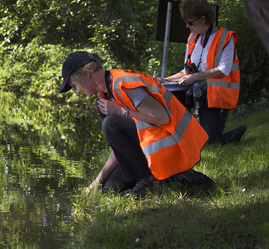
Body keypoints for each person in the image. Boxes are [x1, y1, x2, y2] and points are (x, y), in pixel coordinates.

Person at [59, 51, 212, 197]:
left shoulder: (124, 84)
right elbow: (121, 146)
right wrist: (97, 181)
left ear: (87, 74)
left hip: (175, 145)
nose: (75, 91)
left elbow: (162, 117)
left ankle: (149, 181)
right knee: (109, 189)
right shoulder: (108, 92)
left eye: (74, 85)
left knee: (110, 123)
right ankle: (171, 178)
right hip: (157, 148)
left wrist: (122, 112)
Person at [164, 0, 246, 145]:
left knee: (210, 143)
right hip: (197, 92)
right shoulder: (192, 38)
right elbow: (185, 71)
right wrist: (164, 80)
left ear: (203, 19)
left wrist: (195, 77)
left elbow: (224, 70)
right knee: (165, 94)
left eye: (190, 22)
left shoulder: (226, 37)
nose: (187, 26)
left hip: (216, 96)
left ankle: (233, 133)